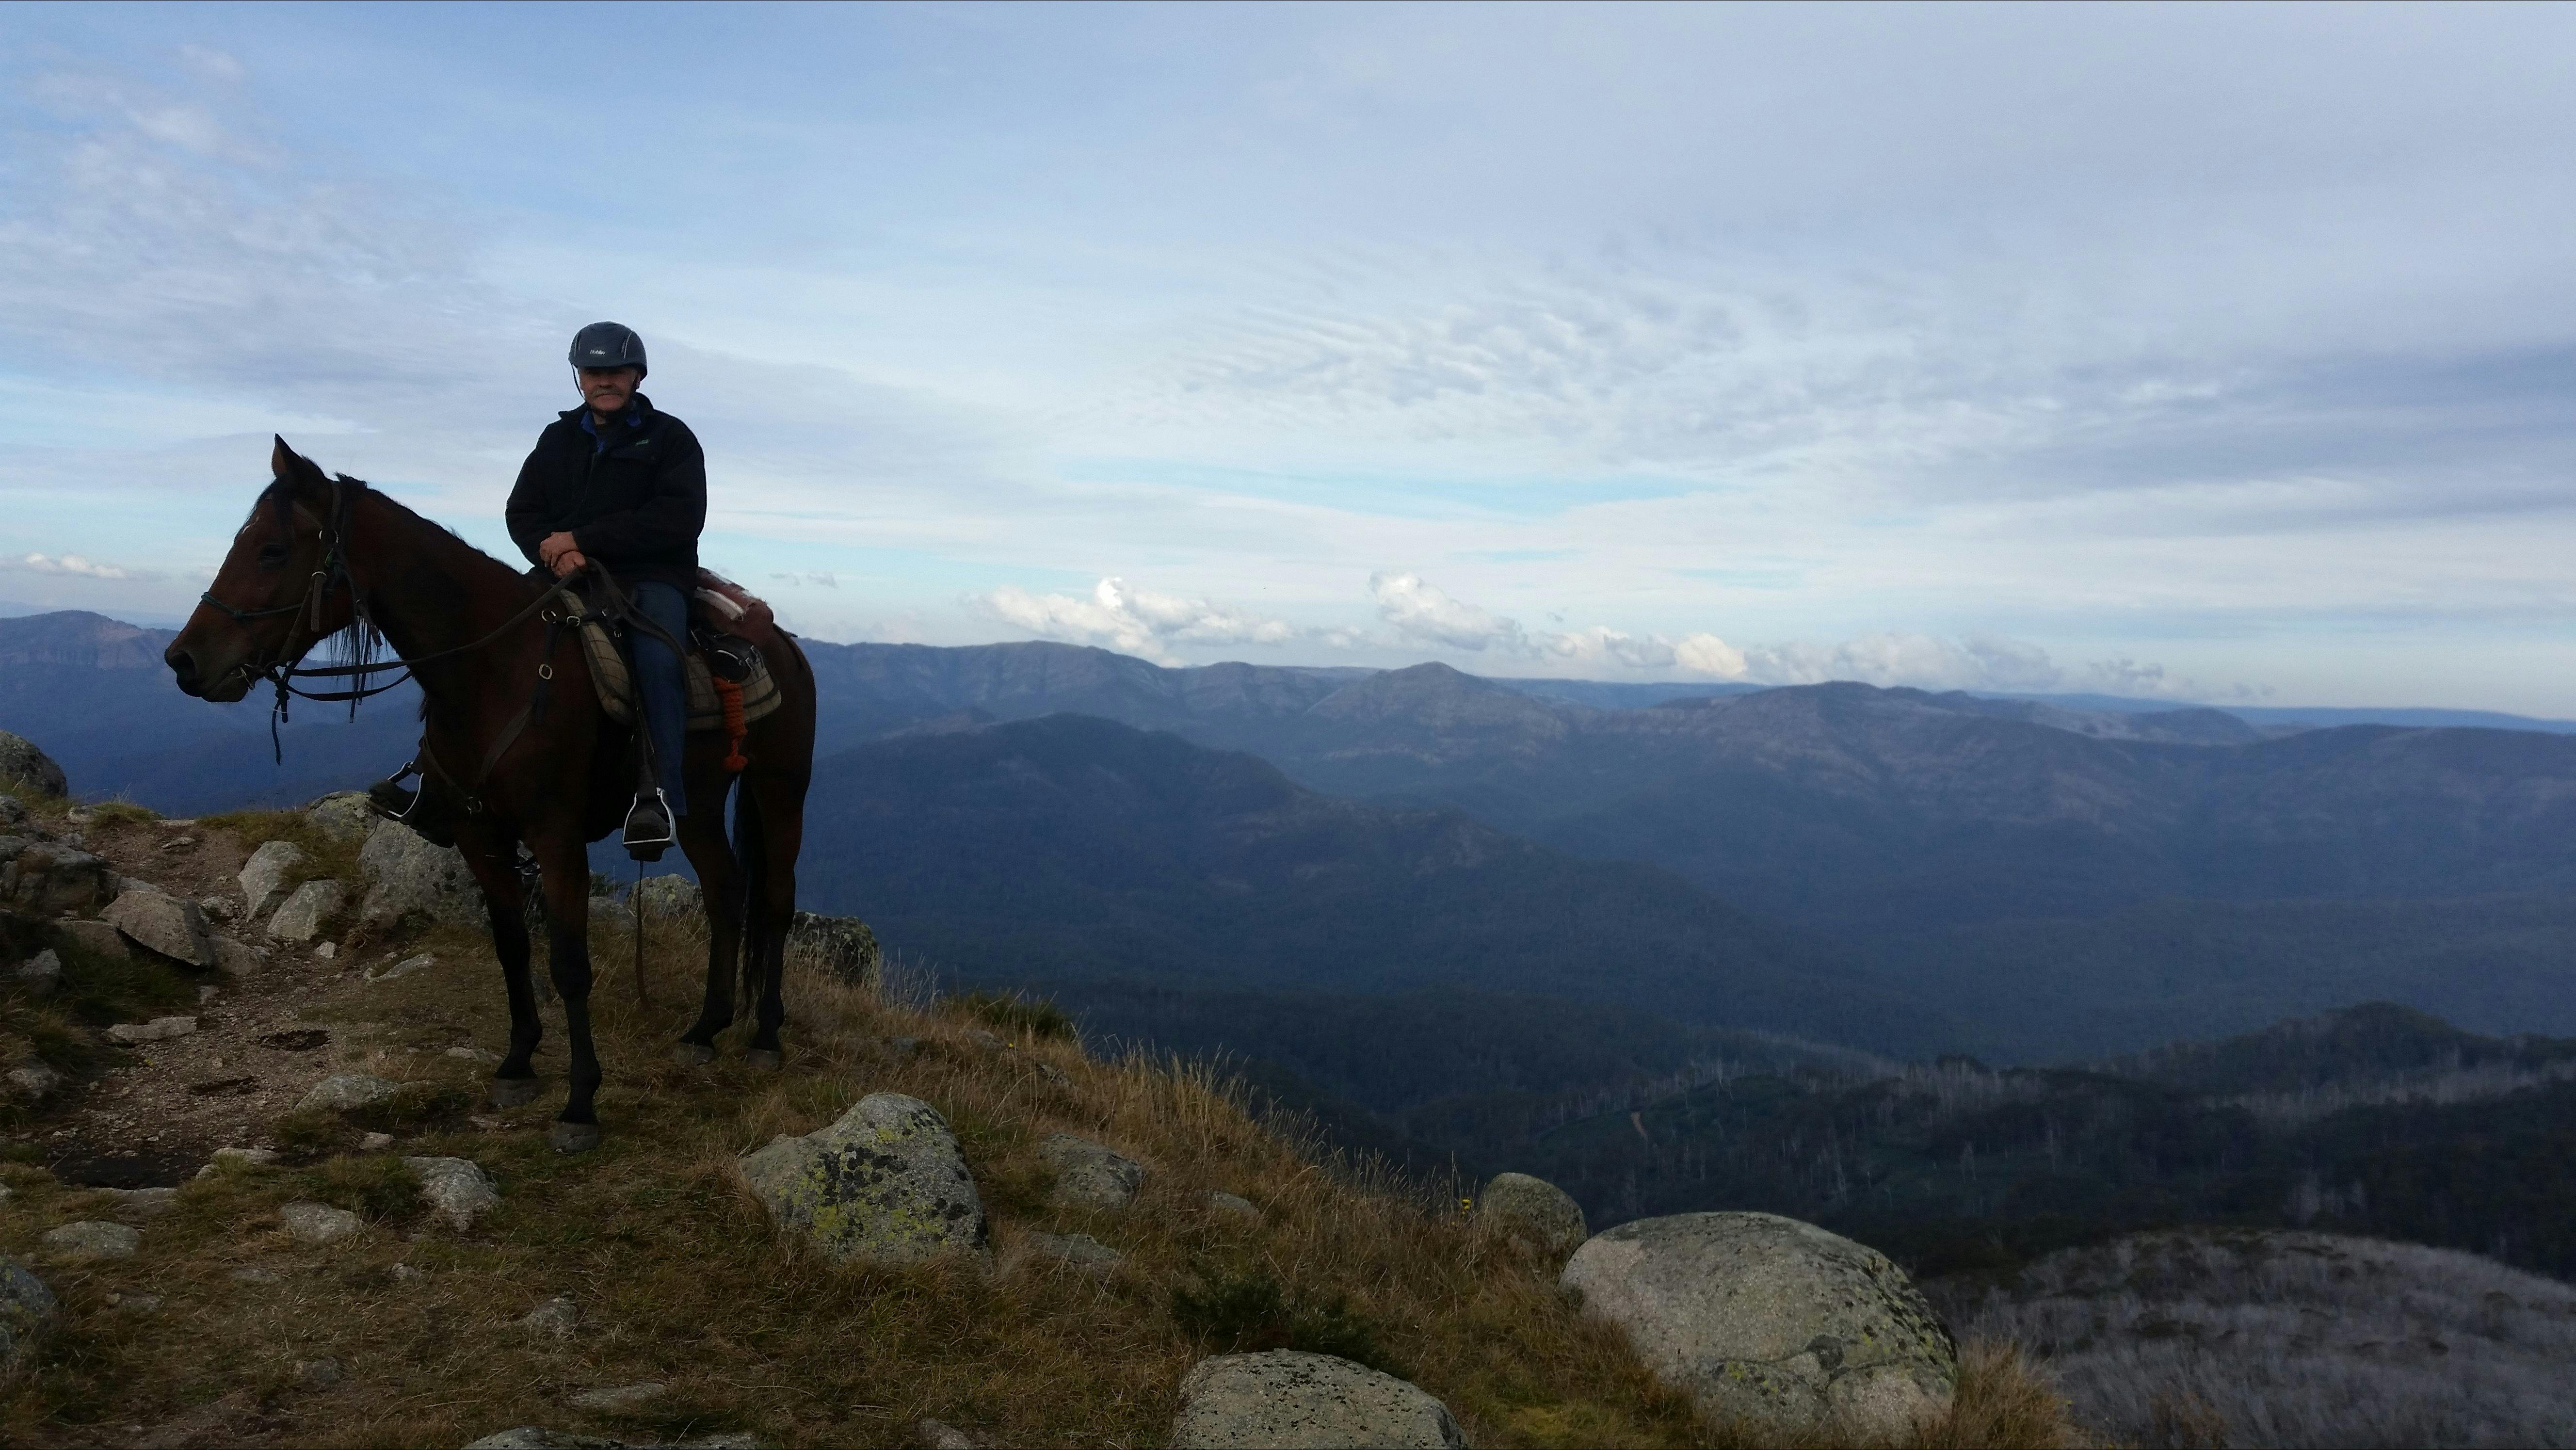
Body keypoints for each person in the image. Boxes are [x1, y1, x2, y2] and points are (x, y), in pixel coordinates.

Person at [504, 322, 706, 857]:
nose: (604, 381)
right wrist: (553, 550)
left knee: (659, 660)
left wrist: (583, 540)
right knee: (497, 635)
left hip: (651, 575)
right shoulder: (557, 439)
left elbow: (678, 519)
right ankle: (437, 775)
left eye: (615, 371)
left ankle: (660, 795)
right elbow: (522, 512)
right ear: (579, 378)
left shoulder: (671, 438)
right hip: (566, 571)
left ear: (636, 375)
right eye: (593, 372)